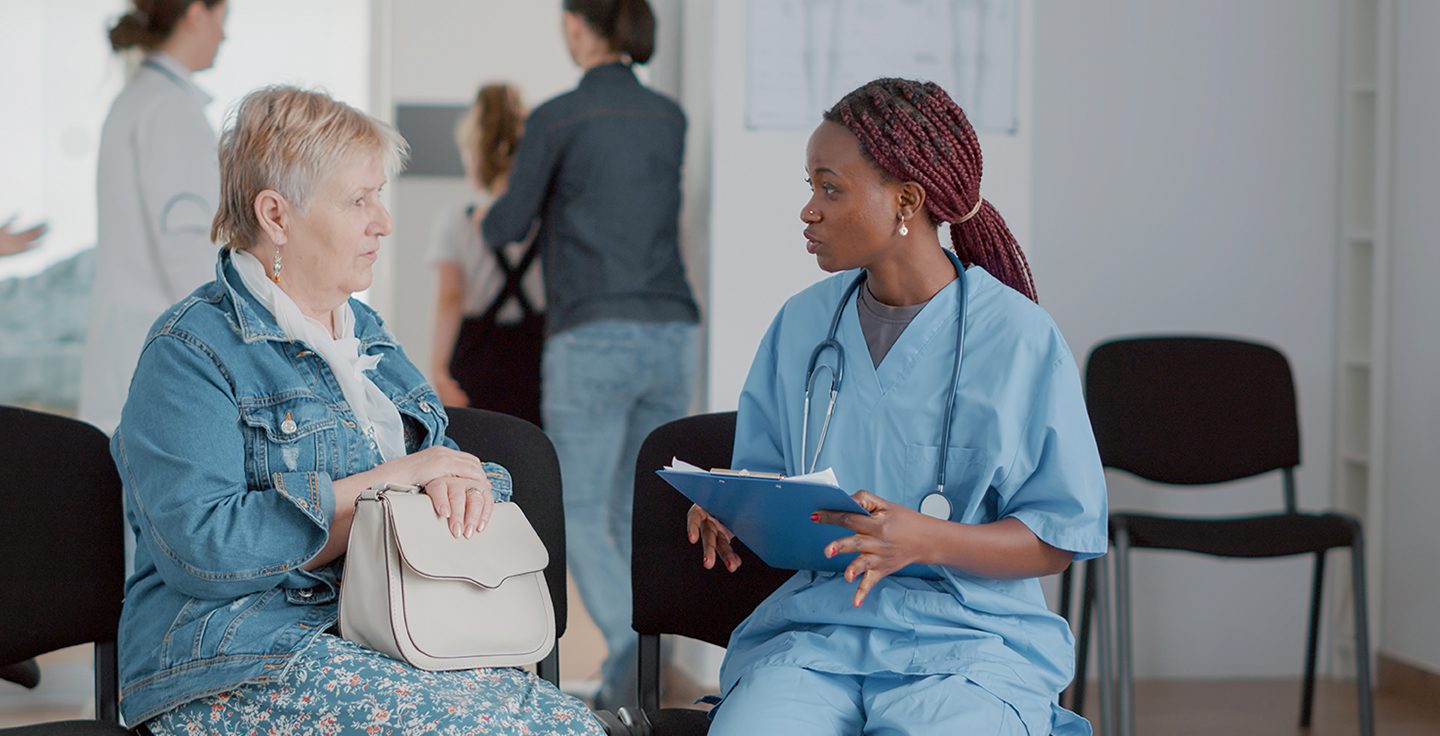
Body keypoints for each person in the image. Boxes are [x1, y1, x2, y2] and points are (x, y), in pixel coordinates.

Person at [113, 86, 604, 735]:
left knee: (576, 727)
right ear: (276, 215)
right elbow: (205, 550)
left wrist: (451, 481)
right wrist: (395, 484)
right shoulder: (189, 350)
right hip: (241, 657)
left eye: (380, 195)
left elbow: (446, 479)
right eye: (359, 200)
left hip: (392, 630)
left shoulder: (367, 333)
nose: (384, 221)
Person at [688, 78, 1108, 735]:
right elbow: (773, 484)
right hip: (820, 636)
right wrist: (735, 507)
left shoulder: (1019, 338)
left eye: (830, 188)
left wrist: (926, 539)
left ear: (906, 201)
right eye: (811, 186)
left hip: (969, 645)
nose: (809, 210)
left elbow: (1058, 536)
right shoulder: (802, 327)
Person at [483, 0, 699, 710]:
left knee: (575, 508)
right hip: (671, 331)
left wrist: (491, 208)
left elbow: (507, 227)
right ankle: (629, 678)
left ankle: (630, 646)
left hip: (593, 335)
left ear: (581, 26)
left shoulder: (558, 117)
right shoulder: (670, 117)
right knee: (640, 510)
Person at [82, 0, 229, 434]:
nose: (225, 36)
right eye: (224, 21)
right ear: (196, 14)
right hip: (160, 352)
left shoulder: (139, 99)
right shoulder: (169, 109)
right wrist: (227, 340)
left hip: (132, 345)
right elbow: (186, 247)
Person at [430, 82, 546, 425]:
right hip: (535, 355)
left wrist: (438, 368)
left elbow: (451, 296)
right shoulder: (543, 218)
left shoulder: (454, 220)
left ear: (475, 153)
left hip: (476, 357)